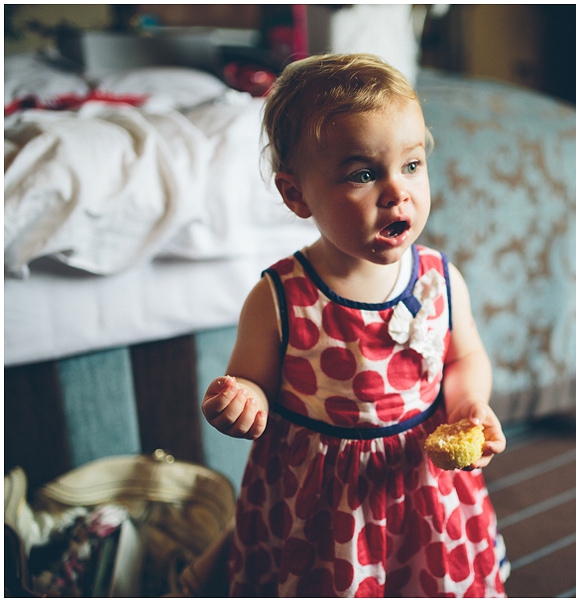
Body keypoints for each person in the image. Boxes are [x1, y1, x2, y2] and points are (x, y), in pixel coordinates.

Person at [201, 53, 509, 597]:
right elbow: (252, 383)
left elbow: (464, 357)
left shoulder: (439, 278)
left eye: (411, 165)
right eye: (363, 174)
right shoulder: (280, 296)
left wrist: (468, 405)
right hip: (324, 504)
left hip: (421, 486)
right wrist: (242, 400)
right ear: (296, 194)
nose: (397, 192)